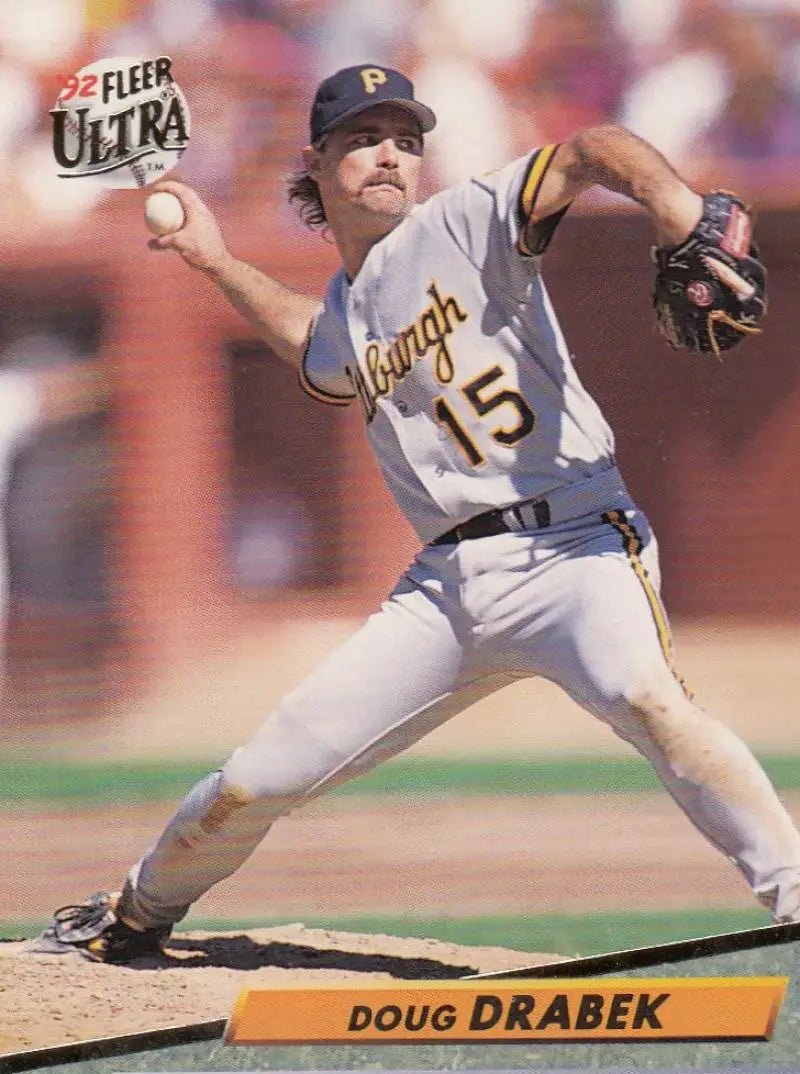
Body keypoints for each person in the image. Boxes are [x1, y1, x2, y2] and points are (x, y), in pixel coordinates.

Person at [36, 63, 800, 963]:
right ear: (317, 167)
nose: (390, 156)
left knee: (654, 702)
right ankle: (133, 912)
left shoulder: (466, 221)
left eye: (406, 140)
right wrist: (214, 259)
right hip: (444, 587)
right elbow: (319, 350)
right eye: (364, 139)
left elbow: (595, 150)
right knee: (257, 777)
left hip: (577, 547)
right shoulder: (351, 309)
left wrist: (676, 208)